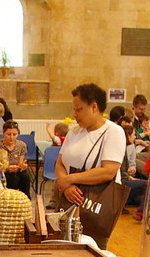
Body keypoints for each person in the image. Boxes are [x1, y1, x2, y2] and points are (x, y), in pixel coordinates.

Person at [54, 82, 126, 212]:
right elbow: (60, 163)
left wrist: (69, 179)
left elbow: (108, 171)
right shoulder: (74, 131)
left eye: (79, 109)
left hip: (96, 205)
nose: (75, 114)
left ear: (94, 107)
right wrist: (66, 187)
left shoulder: (114, 131)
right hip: (68, 199)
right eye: (74, 110)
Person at [0, 119, 30, 195]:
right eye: (9, 134)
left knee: (25, 176)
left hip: (16, 171)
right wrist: (7, 167)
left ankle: (25, 197)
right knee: (13, 177)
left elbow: (20, 162)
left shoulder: (21, 145)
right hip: (1, 171)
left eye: (14, 134)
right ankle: (11, 196)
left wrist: (21, 166)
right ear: (3, 133)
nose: (11, 137)